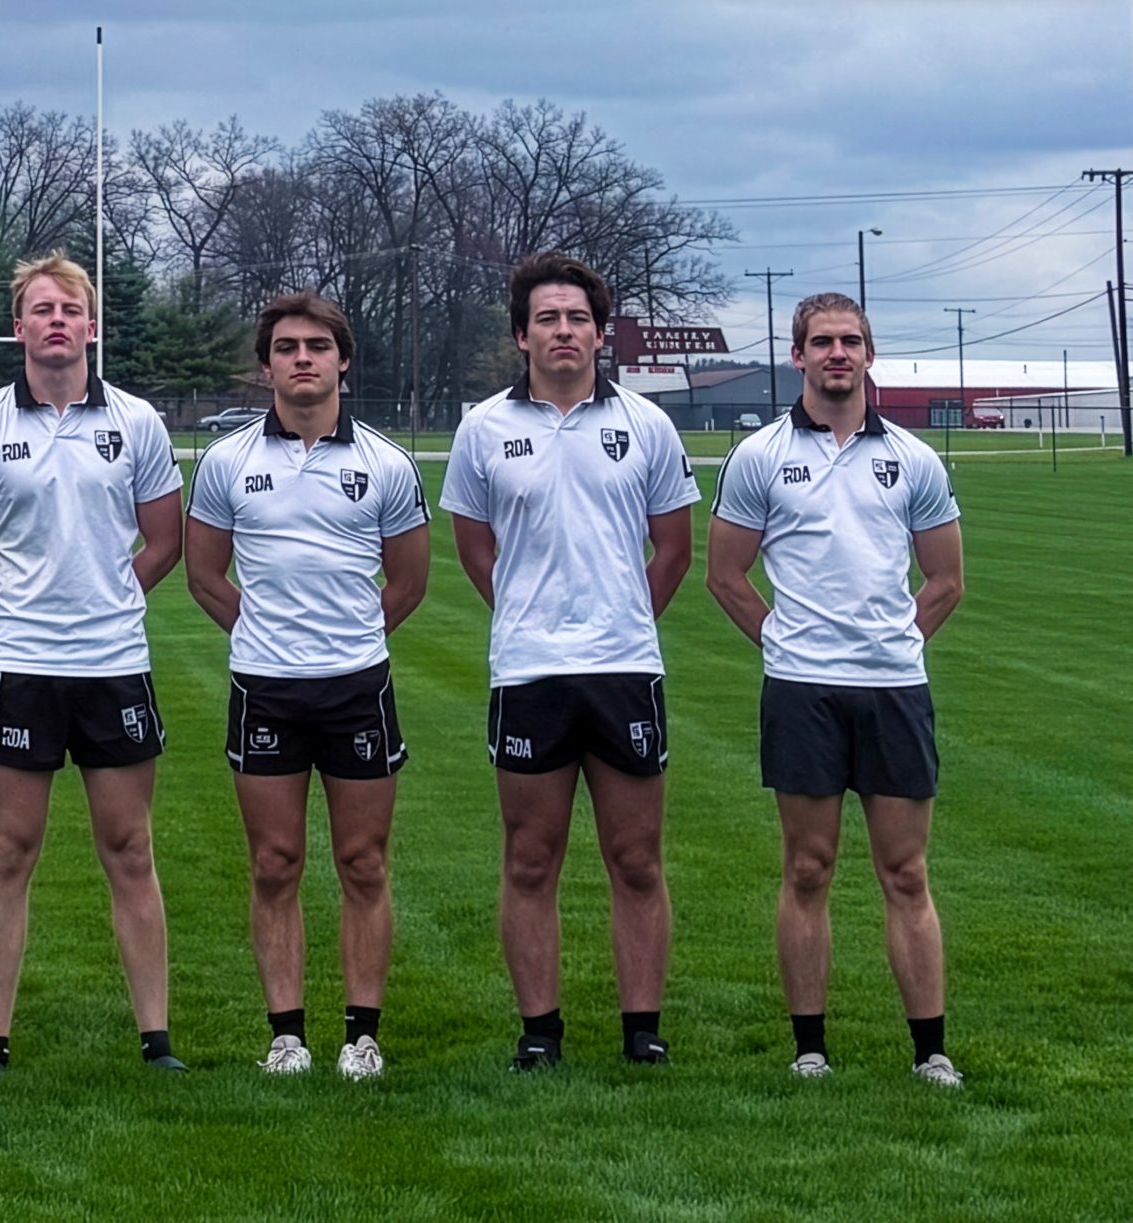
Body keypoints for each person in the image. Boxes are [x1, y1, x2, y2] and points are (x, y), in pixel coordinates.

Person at [438, 252, 699, 1070]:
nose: (563, 331)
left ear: (598, 333)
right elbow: (475, 548)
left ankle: (640, 1027)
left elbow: (675, 549)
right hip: (528, 672)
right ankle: (540, 1032)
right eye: (547, 319)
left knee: (635, 856)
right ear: (522, 335)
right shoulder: (484, 427)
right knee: (529, 856)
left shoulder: (648, 425)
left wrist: (616, 617)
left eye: (578, 318)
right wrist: (532, 615)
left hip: (624, 667)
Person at [0, 252, 187, 1076]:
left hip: (114, 662)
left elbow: (165, 540)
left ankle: (156, 1040)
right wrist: (19, 611)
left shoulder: (139, 423)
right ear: (18, 327)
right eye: (39, 309)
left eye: (68, 309)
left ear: (90, 325)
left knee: (130, 848)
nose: (55, 321)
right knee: (9, 851)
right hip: (19, 668)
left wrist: (111, 599)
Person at [705, 292, 965, 1085]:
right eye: (821, 342)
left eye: (850, 340)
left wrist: (889, 646)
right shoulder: (759, 455)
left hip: (893, 690)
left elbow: (947, 579)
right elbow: (725, 574)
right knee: (808, 867)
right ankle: (809, 1047)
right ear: (798, 355)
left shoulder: (915, 458)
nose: (837, 354)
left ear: (869, 354)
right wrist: (787, 645)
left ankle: (931, 1051)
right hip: (802, 692)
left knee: (906, 872)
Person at [186, 292, 429, 1079]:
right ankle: (286, 1033)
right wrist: (264, 636)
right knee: (275, 862)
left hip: (357, 686)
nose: (302, 358)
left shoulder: (387, 462)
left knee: (363, 861)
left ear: (342, 360)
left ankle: (362, 1033)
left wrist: (348, 636)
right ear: (266, 367)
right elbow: (203, 572)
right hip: (266, 689)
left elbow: (410, 579)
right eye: (286, 347)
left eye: (317, 346)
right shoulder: (228, 461)